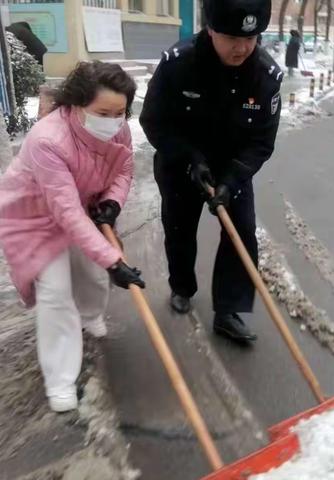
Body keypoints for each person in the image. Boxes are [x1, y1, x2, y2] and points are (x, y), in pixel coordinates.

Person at [0, 61, 145, 413]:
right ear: (77, 105)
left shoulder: (117, 129)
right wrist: (114, 261)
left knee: (92, 274)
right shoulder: (48, 140)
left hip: (84, 206)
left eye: (120, 113)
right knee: (56, 292)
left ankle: (90, 314)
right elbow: (65, 213)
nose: (112, 121)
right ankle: (60, 378)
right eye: (103, 112)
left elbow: (123, 168)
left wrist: (111, 202)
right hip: (33, 217)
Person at [140, 0, 282, 344]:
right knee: (180, 226)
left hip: (233, 166)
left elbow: (262, 140)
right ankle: (182, 286)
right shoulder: (178, 64)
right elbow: (153, 121)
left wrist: (233, 179)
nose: (243, 47)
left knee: (242, 232)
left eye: (251, 38)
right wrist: (190, 159)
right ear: (211, 30)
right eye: (233, 37)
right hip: (181, 162)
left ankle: (229, 310)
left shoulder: (265, 75)